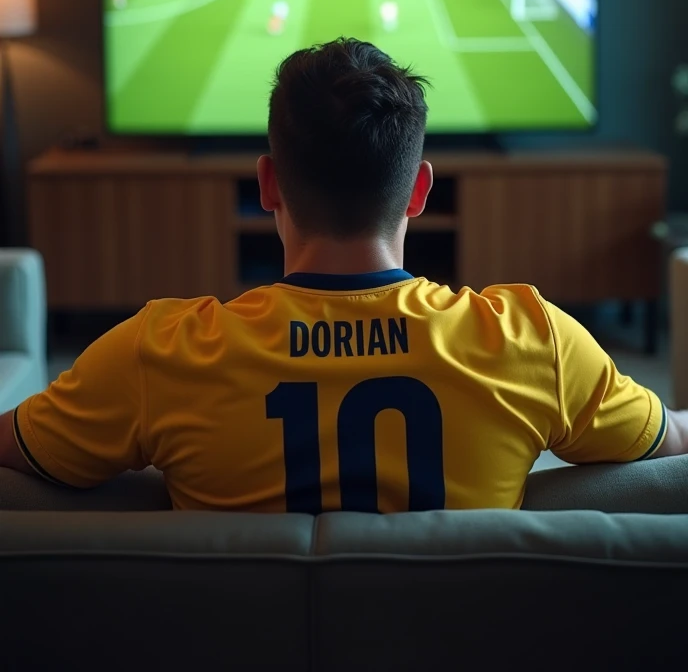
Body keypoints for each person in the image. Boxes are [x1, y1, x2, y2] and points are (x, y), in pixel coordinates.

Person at [0, 38, 685, 511]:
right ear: (419, 192)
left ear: (267, 183)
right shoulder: (537, 341)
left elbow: (19, 451)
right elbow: (669, 445)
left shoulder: (157, 351)